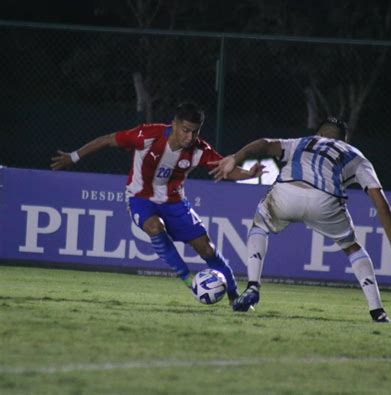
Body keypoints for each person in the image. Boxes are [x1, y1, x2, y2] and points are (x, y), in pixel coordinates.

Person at [50, 102, 264, 305]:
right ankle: (188, 280)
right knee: (154, 226)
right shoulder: (147, 135)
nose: (190, 137)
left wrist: (248, 173)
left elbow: (227, 170)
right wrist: (74, 157)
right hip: (140, 199)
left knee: (206, 249)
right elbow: (108, 139)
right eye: (186, 130)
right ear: (174, 124)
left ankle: (235, 296)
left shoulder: (199, 149)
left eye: (195, 132)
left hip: (175, 203)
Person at [210, 117, 391, 322]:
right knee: (353, 248)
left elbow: (264, 143)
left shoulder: (304, 141)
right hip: (325, 201)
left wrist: (235, 158)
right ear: (345, 140)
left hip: (287, 192)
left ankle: (253, 286)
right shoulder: (356, 155)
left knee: (259, 225)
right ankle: (378, 312)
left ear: (320, 134)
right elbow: (381, 204)